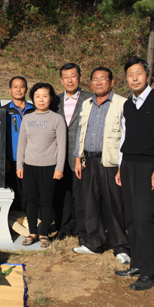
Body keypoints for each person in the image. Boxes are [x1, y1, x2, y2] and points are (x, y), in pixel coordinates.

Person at [115, 58, 154, 291]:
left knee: (144, 218)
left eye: (138, 73)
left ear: (147, 75)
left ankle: (151, 272)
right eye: (130, 74)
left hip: (148, 165)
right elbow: (124, 136)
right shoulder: (128, 104)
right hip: (128, 163)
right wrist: (120, 166)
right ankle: (137, 263)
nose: (134, 78)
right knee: (131, 216)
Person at [71, 67, 130, 264]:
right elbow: (81, 132)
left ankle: (121, 246)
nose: (98, 82)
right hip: (89, 160)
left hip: (111, 161)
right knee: (90, 203)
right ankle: (93, 242)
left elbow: (127, 136)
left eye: (102, 79)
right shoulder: (87, 104)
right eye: (94, 79)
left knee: (115, 204)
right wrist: (78, 158)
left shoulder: (122, 104)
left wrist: (123, 165)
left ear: (112, 82)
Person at [16, 83, 66, 249]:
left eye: (45, 96)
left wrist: (59, 168)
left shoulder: (57, 119)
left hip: (49, 167)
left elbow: (62, 145)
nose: (41, 99)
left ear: (51, 98)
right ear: (33, 99)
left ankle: (43, 232)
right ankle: (32, 232)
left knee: (46, 202)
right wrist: (19, 165)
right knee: (31, 201)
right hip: (29, 166)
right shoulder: (28, 119)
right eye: (38, 96)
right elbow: (22, 143)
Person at [50, 63, 92, 242]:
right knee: (61, 195)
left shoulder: (90, 99)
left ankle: (84, 231)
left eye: (73, 76)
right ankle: (63, 228)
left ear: (80, 78)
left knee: (83, 196)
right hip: (59, 157)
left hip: (81, 157)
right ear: (61, 80)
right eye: (66, 77)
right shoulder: (55, 101)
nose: (69, 80)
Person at [3, 76, 35, 211]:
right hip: (12, 160)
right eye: (15, 87)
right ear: (10, 90)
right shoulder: (3, 111)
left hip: (33, 159)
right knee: (14, 195)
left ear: (26, 89)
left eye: (21, 86)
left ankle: (32, 224)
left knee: (32, 194)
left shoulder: (34, 109)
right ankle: (15, 224)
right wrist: (4, 159)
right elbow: (0, 137)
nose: (18, 89)